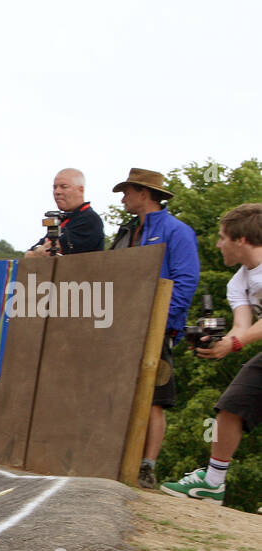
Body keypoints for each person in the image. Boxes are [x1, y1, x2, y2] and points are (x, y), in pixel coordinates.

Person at [160, 203, 262, 504]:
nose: (217, 244)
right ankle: (213, 482)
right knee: (233, 404)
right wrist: (217, 344)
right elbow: (242, 327)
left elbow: (244, 337)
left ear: (240, 240)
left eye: (222, 237)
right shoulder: (239, 281)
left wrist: (236, 343)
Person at [109, 168, 201, 488]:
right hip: (123, 325)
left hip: (156, 328)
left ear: (144, 194)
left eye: (128, 191)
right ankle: (116, 456)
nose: (123, 198)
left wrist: (163, 320)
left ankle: (147, 466)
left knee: (154, 398)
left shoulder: (177, 231)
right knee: (122, 391)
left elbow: (186, 280)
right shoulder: (130, 231)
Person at [24, 168, 105, 257]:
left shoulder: (90, 219)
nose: (57, 192)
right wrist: (38, 250)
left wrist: (37, 251)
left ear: (80, 190)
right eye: (55, 187)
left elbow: (52, 250)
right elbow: (29, 253)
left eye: (64, 187)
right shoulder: (64, 219)